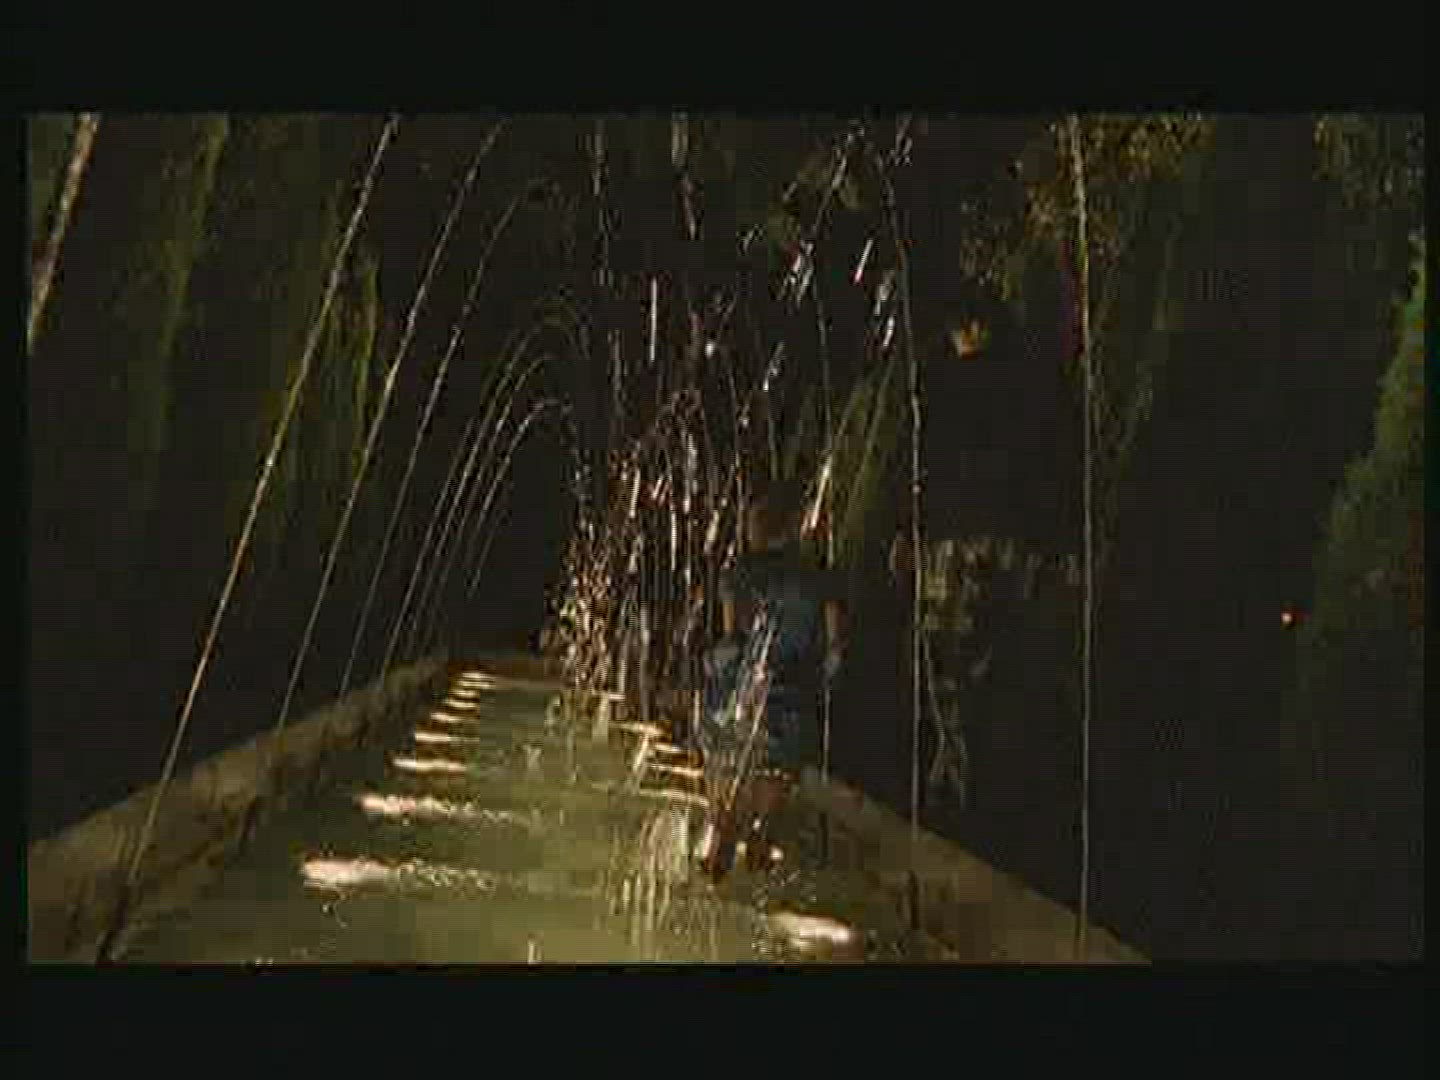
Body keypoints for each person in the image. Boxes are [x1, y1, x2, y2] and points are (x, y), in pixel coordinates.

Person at [697, 480, 844, 882]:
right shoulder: (819, 574)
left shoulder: (739, 573)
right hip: (795, 694)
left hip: (745, 692)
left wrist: (711, 669)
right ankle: (761, 856)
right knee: (776, 784)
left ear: (758, 524)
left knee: (729, 780)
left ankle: (719, 858)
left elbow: (732, 639)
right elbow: (835, 646)